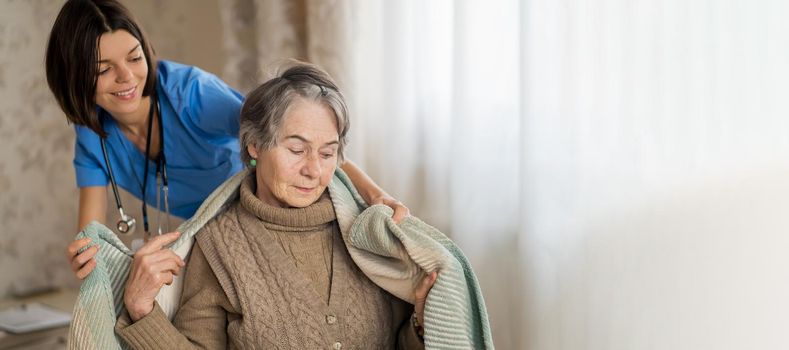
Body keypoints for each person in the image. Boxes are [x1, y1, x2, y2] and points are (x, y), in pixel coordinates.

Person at [44, 0, 409, 280]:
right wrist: (86, 256)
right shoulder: (93, 135)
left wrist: (374, 194)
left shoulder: (191, 94)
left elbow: (302, 137)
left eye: (135, 58)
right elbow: (90, 235)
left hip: (270, 219)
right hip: (211, 240)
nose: (127, 77)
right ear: (75, 78)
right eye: (103, 70)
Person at [115, 62, 436, 349]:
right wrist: (142, 311)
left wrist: (420, 324)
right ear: (254, 145)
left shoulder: (369, 231)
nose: (313, 170)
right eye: (297, 150)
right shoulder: (218, 247)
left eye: (327, 154)